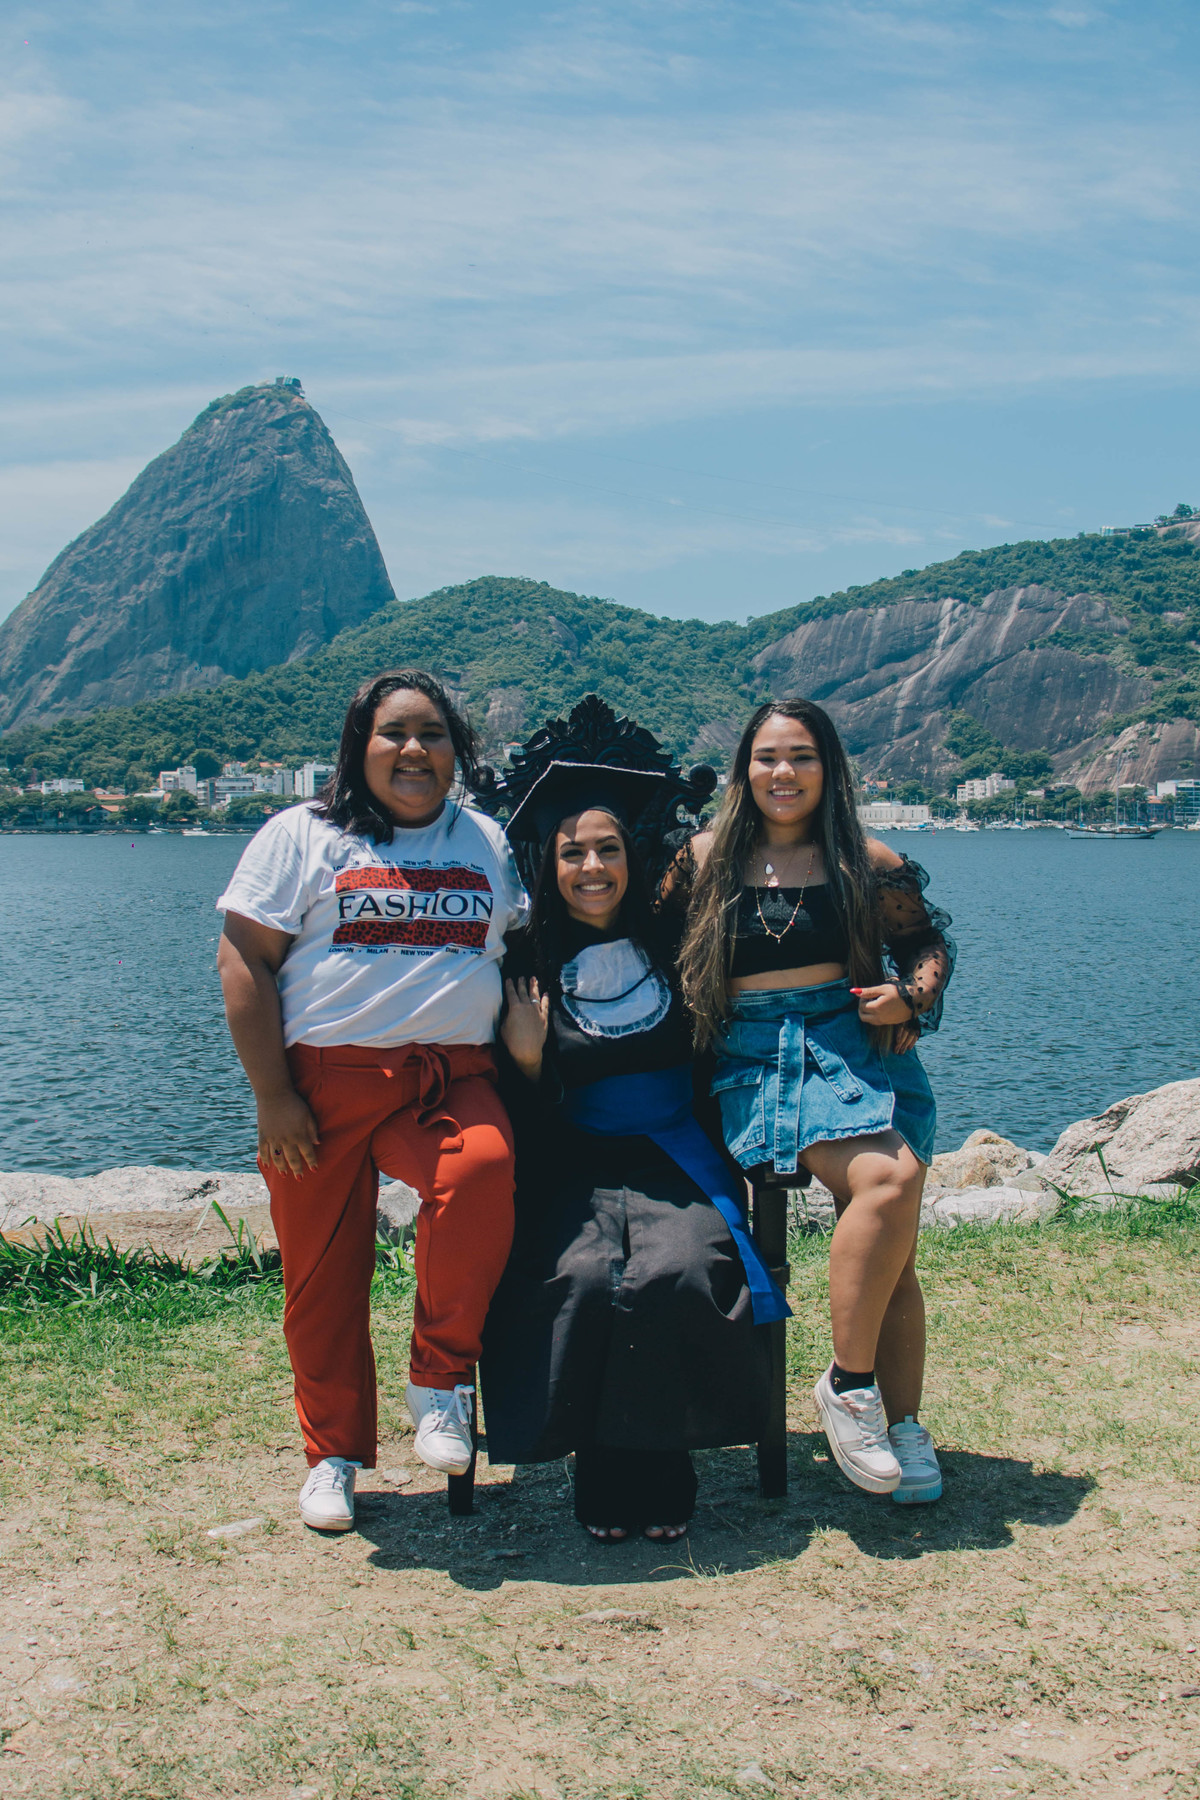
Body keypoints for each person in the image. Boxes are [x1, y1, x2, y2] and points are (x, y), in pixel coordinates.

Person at [216, 670, 528, 1533]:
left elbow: (517, 953)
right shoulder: (303, 835)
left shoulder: (487, 842)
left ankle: (439, 1379)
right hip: (322, 1084)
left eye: (432, 734)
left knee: (483, 1172)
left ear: (455, 750)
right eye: (393, 733)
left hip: (448, 1077)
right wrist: (273, 1095)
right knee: (323, 1273)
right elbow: (244, 959)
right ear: (360, 747)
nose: (414, 750)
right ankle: (333, 1456)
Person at [479, 697, 785, 1545]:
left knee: (678, 1270)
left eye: (607, 850)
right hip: (567, 1157)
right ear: (550, 860)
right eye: (573, 853)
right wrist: (532, 1058)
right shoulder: (521, 958)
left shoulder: (677, 938)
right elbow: (511, 1102)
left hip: (674, 1154)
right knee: (579, 1278)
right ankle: (603, 1469)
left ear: (629, 856)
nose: (591, 868)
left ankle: (665, 1466)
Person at [673, 698, 954, 1505]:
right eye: (766, 757)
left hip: (861, 1041)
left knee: (892, 1252)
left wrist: (910, 997)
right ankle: (849, 1385)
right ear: (744, 770)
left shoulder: (865, 858)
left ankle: (900, 1424)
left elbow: (923, 945)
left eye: (801, 756)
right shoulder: (703, 859)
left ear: (828, 769)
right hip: (761, 1057)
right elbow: (639, 945)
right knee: (889, 1183)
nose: (783, 773)